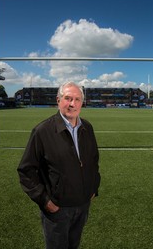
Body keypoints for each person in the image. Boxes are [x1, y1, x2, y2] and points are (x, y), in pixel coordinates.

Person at [17, 81, 101, 249]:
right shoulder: (42, 131)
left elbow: (93, 161)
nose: (72, 104)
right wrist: (45, 201)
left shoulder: (87, 127)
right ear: (58, 100)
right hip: (57, 209)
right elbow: (26, 171)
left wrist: (93, 188)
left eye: (77, 99)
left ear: (82, 103)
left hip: (83, 205)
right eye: (68, 98)